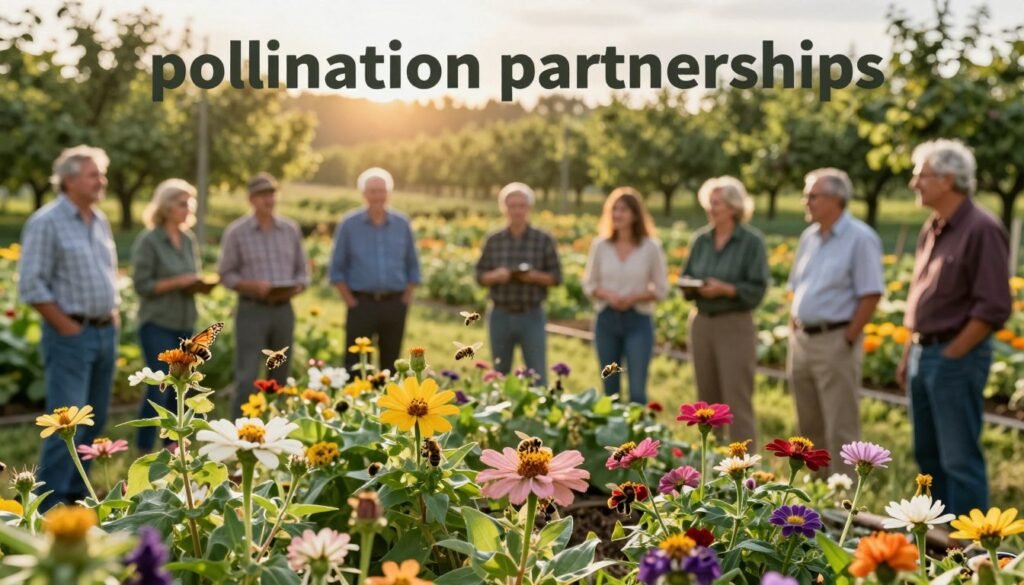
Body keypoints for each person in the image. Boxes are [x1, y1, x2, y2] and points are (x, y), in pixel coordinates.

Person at [898, 140, 1011, 514]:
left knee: (959, 460)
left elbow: (994, 307)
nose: (914, 183)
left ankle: (972, 553)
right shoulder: (933, 227)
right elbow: (921, 299)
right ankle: (940, 543)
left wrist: (952, 353)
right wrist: (908, 353)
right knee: (927, 457)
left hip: (953, 359)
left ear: (947, 180)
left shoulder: (982, 229)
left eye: (921, 174)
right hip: (921, 353)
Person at [17, 145, 118, 509]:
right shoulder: (46, 222)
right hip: (70, 336)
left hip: (106, 332)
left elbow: (106, 273)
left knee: (97, 416)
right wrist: (67, 326)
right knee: (66, 424)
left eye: (101, 174)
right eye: (94, 175)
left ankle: (77, 496)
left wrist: (113, 315)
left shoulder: (100, 219)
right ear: (70, 180)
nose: (101, 181)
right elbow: (31, 284)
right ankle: (48, 505)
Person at [787, 168, 884, 463]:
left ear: (835, 199)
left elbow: (871, 293)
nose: (806, 201)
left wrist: (848, 337)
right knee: (808, 426)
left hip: (835, 340)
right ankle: (815, 498)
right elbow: (796, 285)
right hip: (801, 340)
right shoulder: (809, 237)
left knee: (840, 426)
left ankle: (841, 502)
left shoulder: (860, 238)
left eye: (812, 195)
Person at [680, 177, 769, 442]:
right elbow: (686, 276)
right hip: (702, 322)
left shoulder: (751, 242)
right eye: (709, 202)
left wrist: (726, 289)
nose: (711, 208)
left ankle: (744, 463)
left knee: (736, 397)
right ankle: (711, 460)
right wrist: (693, 286)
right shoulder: (701, 240)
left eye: (716, 203)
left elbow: (757, 289)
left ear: (733, 206)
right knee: (706, 399)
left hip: (735, 324)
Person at [219, 173, 309, 415]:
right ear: (251, 199)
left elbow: (303, 273)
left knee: (280, 375)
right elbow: (226, 274)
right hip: (252, 310)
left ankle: (275, 430)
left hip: (283, 310)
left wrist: (296, 286)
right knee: (247, 375)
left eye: (271, 194)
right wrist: (252, 285)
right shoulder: (236, 232)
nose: (268, 200)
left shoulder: (290, 230)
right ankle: (238, 435)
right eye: (262, 195)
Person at [131, 179, 204, 451]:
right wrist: (179, 282)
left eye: (190, 203)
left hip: (185, 324)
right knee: (158, 386)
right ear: (166, 206)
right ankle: (143, 448)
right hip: (156, 324)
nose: (188, 208)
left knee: (181, 386)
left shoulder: (187, 239)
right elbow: (142, 285)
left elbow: (190, 277)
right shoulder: (149, 241)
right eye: (182, 203)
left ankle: (173, 449)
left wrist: (197, 284)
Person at [330, 167, 420, 374]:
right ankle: (358, 403)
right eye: (372, 191)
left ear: (388, 193)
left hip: (395, 304)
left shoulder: (402, 223)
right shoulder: (349, 224)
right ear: (363, 194)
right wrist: (351, 302)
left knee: (393, 363)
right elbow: (336, 269)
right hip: (361, 304)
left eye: (381, 190)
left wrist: (405, 298)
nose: (377, 196)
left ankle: (389, 404)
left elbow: (413, 266)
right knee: (356, 364)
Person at [583, 187, 668, 404]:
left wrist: (634, 298)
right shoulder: (600, 245)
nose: (617, 214)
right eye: (614, 209)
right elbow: (589, 284)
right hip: (606, 319)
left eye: (624, 210)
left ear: (635, 214)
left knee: (637, 391)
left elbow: (661, 289)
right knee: (610, 389)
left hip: (637, 321)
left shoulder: (651, 247)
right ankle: (612, 436)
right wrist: (608, 295)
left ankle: (638, 436)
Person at [475, 183, 561, 386]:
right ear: (503, 208)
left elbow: (556, 277)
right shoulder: (494, 240)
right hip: (500, 314)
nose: (517, 210)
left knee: (537, 372)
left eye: (521, 205)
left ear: (529, 208)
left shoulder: (543, 240)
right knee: (499, 373)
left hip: (531, 314)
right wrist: (496, 276)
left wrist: (533, 276)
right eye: (512, 205)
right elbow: (479, 276)